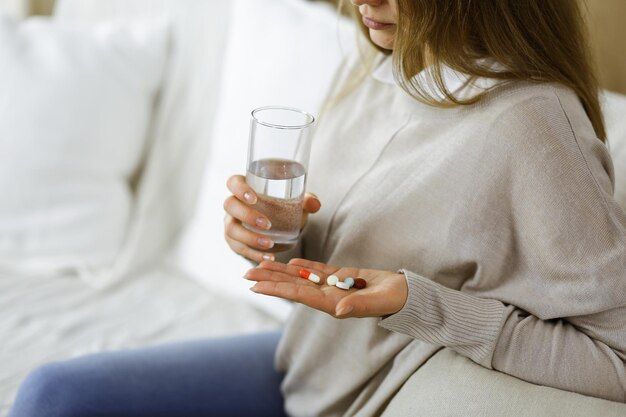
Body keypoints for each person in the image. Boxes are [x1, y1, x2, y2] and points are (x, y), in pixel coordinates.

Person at [9, 0, 626, 416]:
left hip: (366, 398)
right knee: (52, 392)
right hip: (298, 370)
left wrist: (420, 305)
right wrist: (281, 238)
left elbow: (617, 356)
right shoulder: (380, 67)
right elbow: (352, 250)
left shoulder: (534, 127)